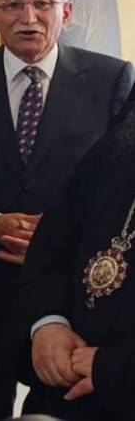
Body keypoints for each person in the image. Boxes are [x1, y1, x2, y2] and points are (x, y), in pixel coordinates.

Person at [0, 0, 133, 421]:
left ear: (67, 13)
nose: (29, 17)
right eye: (13, 5)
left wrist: (55, 239)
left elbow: (117, 187)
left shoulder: (111, 79)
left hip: (74, 283)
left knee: (65, 401)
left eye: (43, 4)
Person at [14, 97, 135, 420]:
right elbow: (55, 238)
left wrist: (116, 370)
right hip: (65, 380)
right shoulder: (121, 139)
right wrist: (49, 322)